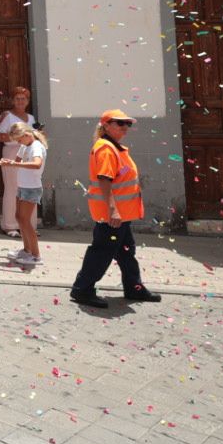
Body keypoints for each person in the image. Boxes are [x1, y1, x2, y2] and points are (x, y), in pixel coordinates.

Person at [70, 110, 162, 309]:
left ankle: (134, 288)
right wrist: (113, 211)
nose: (125, 127)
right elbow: (105, 180)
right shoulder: (106, 148)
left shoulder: (115, 148)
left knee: (126, 252)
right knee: (101, 252)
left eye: (128, 123)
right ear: (106, 126)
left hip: (122, 214)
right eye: (120, 123)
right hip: (112, 215)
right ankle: (82, 289)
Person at [0, 124, 46, 266]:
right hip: (22, 186)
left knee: (25, 221)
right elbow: (14, 163)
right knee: (19, 218)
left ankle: (36, 256)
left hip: (31, 188)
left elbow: (37, 164)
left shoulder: (36, 146)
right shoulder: (25, 146)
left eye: (19, 139)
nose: (18, 142)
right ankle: (27, 250)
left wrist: (16, 164)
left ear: (26, 135)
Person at [0, 87, 36, 238]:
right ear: (13, 100)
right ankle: (9, 225)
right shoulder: (7, 116)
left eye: (23, 99)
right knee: (12, 189)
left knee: (29, 188)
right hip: (12, 152)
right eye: (17, 99)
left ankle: (28, 225)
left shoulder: (31, 118)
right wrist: (18, 137)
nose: (20, 101)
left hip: (29, 153)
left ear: (27, 101)